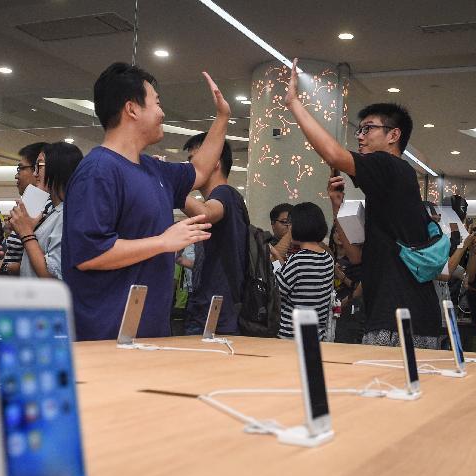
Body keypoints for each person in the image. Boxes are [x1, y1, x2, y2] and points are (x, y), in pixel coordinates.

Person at [61, 62, 229, 341]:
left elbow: (200, 170)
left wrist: (222, 117)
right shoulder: (98, 170)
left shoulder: (153, 169)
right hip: (106, 336)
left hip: (149, 335)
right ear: (132, 109)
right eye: (157, 103)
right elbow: (89, 254)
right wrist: (163, 242)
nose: (162, 113)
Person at [283, 59, 441, 349]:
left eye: (368, 128)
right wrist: (337, 206)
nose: (360, 135)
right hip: (399, 313)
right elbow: (357, 257)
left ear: (394, 135)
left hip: (399, 319)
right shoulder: (391, 186)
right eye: (360, 129)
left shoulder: (389, 165)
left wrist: (294, 103)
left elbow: (333, 154)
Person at [181, 132, 247, 336]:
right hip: (214, 309)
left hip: (215, 314)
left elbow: (206, 214)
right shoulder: (230, 197)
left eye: (193, 159)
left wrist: (172, 187)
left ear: (215, 162)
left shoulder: (224, 193)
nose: (189, 167)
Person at [10, 142, 83, 279]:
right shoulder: (54, 212)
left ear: (58, 168)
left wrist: (26, 233)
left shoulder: (67, 215)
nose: (35, 173)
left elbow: (51, 273)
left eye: (40, 166)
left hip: (47, 299)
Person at [272, 202, 335, 339]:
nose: (289, 228)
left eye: (291, 224)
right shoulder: (328, 259)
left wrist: (274, 262)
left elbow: (277, 290)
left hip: (290, 336)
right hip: (316, 335)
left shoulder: (298, 260)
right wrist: (278, 257)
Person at [0, 142, 47, 276]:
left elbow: (46, 264)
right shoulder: (32, 200)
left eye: (21, 168)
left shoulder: (38, 201)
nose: (16, 175)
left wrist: (3, 268)